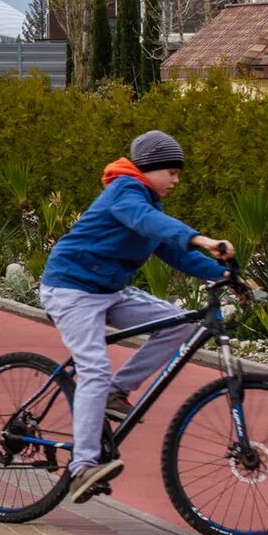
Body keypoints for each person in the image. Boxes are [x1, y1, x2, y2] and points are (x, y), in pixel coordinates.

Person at [39, 130, 236, 504]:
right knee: (94, 368)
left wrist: (224, 275)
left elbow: (172, 251)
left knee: (180, 325)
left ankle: (118, 390)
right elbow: (147, 222)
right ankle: (82, 466)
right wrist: (200, 238)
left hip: (108, 290)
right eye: (171, 172)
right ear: (148, 169)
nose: (176, 180)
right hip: (72, 289)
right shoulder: (124, 193)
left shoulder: (148, 205)